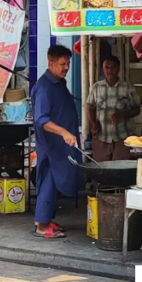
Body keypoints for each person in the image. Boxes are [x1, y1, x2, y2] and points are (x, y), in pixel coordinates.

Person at [30, 45, 82, 239]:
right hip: (52, 146)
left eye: (68, 63)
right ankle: (42, 225)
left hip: (62, 146)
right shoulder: (44, 87)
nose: (66, 67)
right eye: (62, 64)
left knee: (57, 181)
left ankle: (45, 219)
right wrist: (64, 132)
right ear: (50, 63)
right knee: (49, 182)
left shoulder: (59, 83)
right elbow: (41, 119)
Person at [86, 56, 140, 161]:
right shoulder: (96, 87)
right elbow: (90, 107)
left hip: (121, 138)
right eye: (106, 67)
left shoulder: (127, 87)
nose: (109, 70)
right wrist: (93, 124)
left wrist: (121, 115)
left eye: (113, 67)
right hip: (101, 137)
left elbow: (137, 109)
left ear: (118, 69)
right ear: (103, 69)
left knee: (119, 172)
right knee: (101, 171)